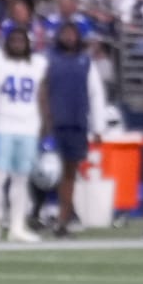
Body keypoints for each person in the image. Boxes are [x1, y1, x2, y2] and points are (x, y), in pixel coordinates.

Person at [0, 26, 50, 243]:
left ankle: (17, 225)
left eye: (22, 40)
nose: (18, 43)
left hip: (28, 127)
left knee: (21, 179)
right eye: (14, 40)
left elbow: (42, 98)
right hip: (3, 126)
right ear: (7, 42)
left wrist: (46, 128)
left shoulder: (38, 64)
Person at [42, 21, 106, 237]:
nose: (69, 37)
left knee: (69, 173)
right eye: (65, 33)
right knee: (45, 171)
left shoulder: (86, 62)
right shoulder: (47, 61)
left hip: (76, 123)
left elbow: (95, 94)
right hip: (52, 124)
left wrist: (99, 126)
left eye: (72, 33)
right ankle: (40, 211)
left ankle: (63, 218)